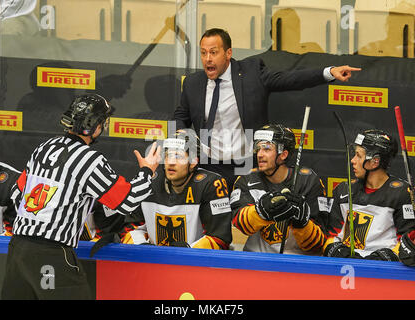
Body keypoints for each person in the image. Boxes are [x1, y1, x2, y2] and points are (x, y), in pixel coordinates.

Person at [1, 93, 161, 300]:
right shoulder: (88, 159)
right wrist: (147, 171)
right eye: (102, 123)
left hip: (17, 251)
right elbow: (126, 201)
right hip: (51, 255)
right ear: (94, 126)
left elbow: (16, 194)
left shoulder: (44, 148)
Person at [174, 28, 361, 191]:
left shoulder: (251, 73)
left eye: (213, 52)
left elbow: (290, 79)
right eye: (203, 53)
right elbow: (181, 116)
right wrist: (186, 143)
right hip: (209, 165)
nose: (207, 59)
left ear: (228, 53)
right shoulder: (193, 83)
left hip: (246, 164)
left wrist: (328, 72)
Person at [119, 129, 232, 249]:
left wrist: (185, 253)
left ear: (193, 161)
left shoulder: (212, 184)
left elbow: (219, 238)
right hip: (152, 262)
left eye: (178, 156)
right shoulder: (148, 182)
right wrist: (142, 248)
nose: (171, 162)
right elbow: (129, 229)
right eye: (168, 156)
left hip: (194, 264)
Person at [230, 124, 328, 254]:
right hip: (257, 261)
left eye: (266, 149)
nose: (259, 154)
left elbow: (318, 244)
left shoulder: (309, 181)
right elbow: (238, 223)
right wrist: (260, 212)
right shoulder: (246, 179)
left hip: (296, 264)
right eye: (258, 149)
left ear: (283, 154)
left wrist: (303, 224)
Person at [323, 129, 415, 265]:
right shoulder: (343, 190)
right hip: (344, 267)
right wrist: (335, 250)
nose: (353, 161)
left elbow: (408, 242)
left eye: (359, 156)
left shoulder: (402, 193)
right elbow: (330, 237)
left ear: (374, 162)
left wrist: (386, 257)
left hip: (385, 272)